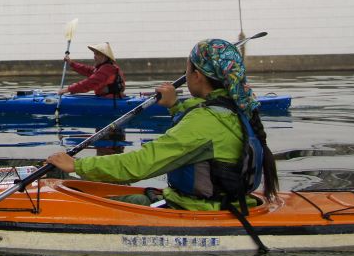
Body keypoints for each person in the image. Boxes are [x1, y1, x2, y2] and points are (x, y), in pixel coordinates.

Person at [46, 38, 279, 211]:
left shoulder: (205, 123)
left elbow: (139, 165)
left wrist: (78, 166)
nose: (185, 75)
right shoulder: (239, 107)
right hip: (217, 202)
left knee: (86, 205)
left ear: (197, 76)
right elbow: (201, 137)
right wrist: (174, 106)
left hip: (197, 209)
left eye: (187, 69)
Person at [59, 43, 125, 98]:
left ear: (104, 56)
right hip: (106, 98)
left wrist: (68, 89)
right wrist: (71, 63)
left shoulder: (107, 69)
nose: (94, 56)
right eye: (94, 54)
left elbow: (90, 83)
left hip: (110, 101)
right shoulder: (103, 68)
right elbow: (87, 70)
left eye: (97, 54)